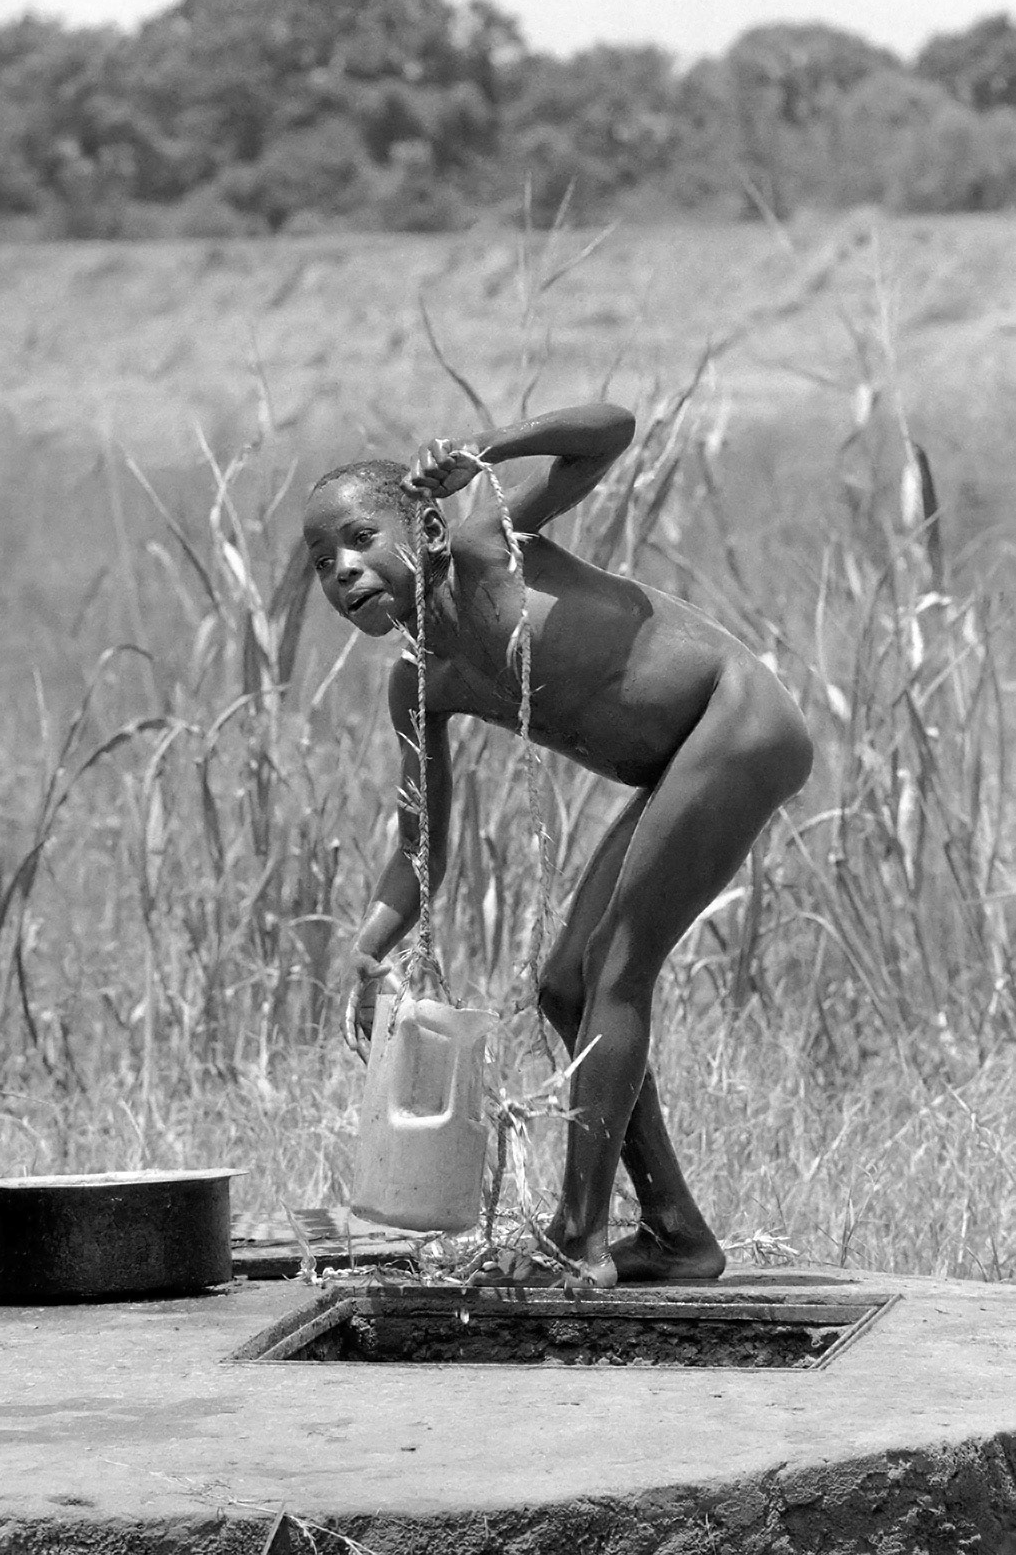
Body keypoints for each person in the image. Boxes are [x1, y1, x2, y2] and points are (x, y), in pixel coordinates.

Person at [302, 404, 813, 1287]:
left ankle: (577, 1237)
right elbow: (422, 845)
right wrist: (368, 949)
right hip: (678, 765)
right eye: (322, 564)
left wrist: (482, 454)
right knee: (563, 985)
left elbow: (609, 432)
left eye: (357, 539)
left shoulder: (485, 544)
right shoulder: (422, 683)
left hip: (737, 718)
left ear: (422, 527)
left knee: (613, 969)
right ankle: (675, 1236)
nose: (344, 571)